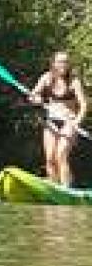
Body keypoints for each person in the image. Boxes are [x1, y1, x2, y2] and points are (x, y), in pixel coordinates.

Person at [29, 50, 87, 186]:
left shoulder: (74, 81)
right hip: (51, 122)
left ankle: (66, 188)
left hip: (69, 123)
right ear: (53, 63)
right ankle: (54, 187)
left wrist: (77, 121)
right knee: (49, 158)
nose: (63, 65)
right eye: (60, 61)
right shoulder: (46, 78)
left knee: (60, 155)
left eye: (66, 62)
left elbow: (84, 105)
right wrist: (35, 98)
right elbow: (34, 95)